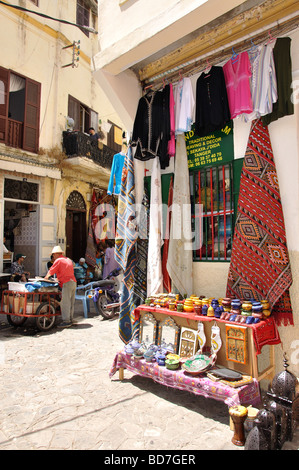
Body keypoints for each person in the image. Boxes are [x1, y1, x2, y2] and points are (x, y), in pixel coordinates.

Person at [44, 246, 76, 328]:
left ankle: (66, 321)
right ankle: (71, 319)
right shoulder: (68, 259)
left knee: (65, 303)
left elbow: (51, 271)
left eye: (53, 255)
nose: (53, 256)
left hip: (66, 282)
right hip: (73, 282)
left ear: (56, 254)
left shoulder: (58, 260)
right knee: (71, 302)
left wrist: (45, 278)